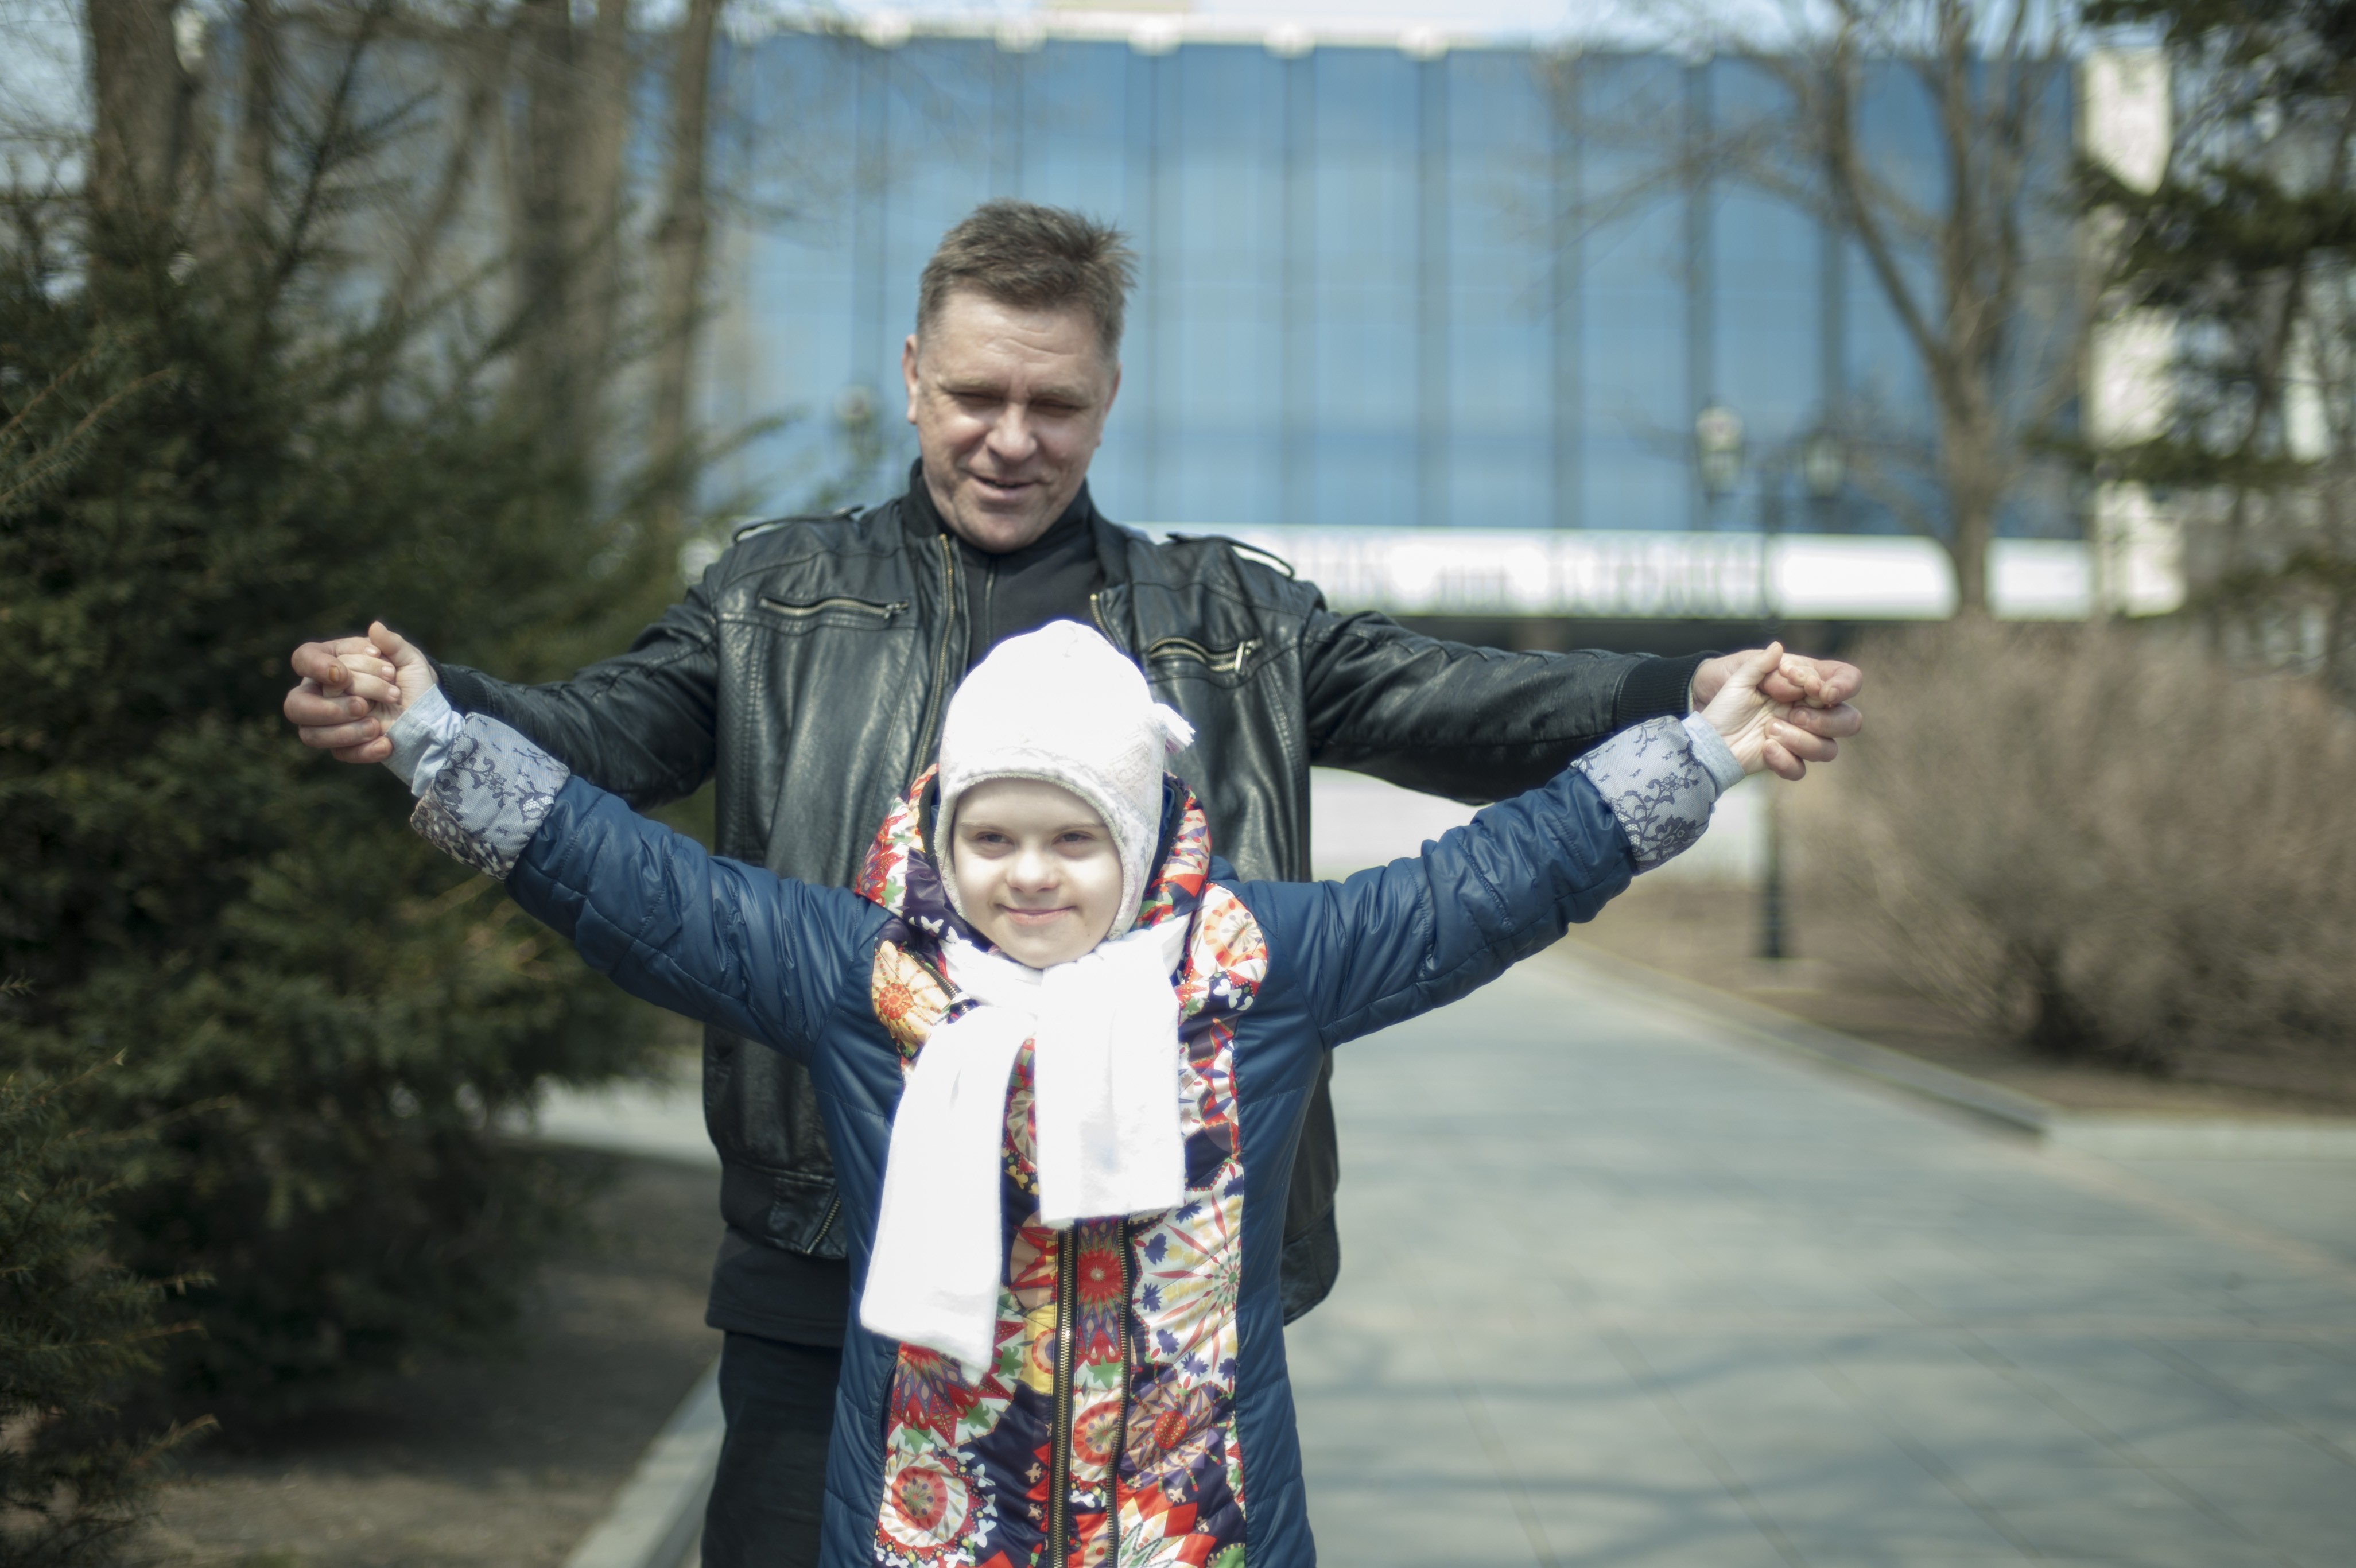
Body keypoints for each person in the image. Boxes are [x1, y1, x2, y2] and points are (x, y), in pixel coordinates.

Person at [281, 201, 1863, 1564]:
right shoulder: (777, 602)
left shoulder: (1232, 618)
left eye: (1054, 402)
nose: (1010, 437)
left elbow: (1466, 714)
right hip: (830, 1252)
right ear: (913, 373)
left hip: (1155, 1295)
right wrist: (433, 715)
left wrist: (1679, 698)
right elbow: (605, 762)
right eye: (975, 393)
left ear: (1109, 398)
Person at [350, 615, 1797, 1568]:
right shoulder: (872, 976)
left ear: (1139, 835)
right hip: (924, 1525)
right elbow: (637, 886)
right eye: (991, 836)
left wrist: (1697, 750)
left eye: (1071, 837)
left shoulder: (1252, 966)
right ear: (942, 828)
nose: (1028, 875)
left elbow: (1485, 887)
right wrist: (433, 736)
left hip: (1196, 1526)